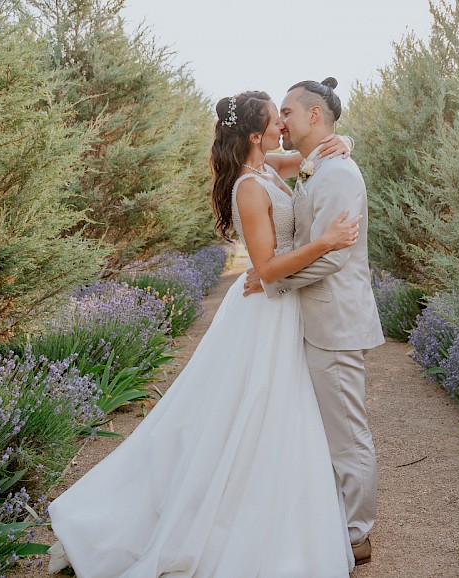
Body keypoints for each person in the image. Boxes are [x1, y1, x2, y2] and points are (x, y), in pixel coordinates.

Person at [46, 89, 362, 577]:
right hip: (264, 310)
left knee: (276, 411)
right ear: (257, 135)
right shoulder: (250, 188)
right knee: (246, 410)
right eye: (277, 120)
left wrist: (348, 142)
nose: (284, 124)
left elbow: (316, 154)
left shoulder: (269, 167)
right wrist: (325, 241)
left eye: (285, 117)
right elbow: (267, 267)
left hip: (283, 308)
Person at [244, 77, 385, 567]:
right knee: (326, 429)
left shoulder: (339, 173)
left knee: (347, 433)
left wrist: (271, 281)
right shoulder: (315, 166)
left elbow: (332, 259)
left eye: (287, 111)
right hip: (314, 320)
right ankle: (334, 520)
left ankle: (355, 536)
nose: (280, 120)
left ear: (314, 117)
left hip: (336, 322)